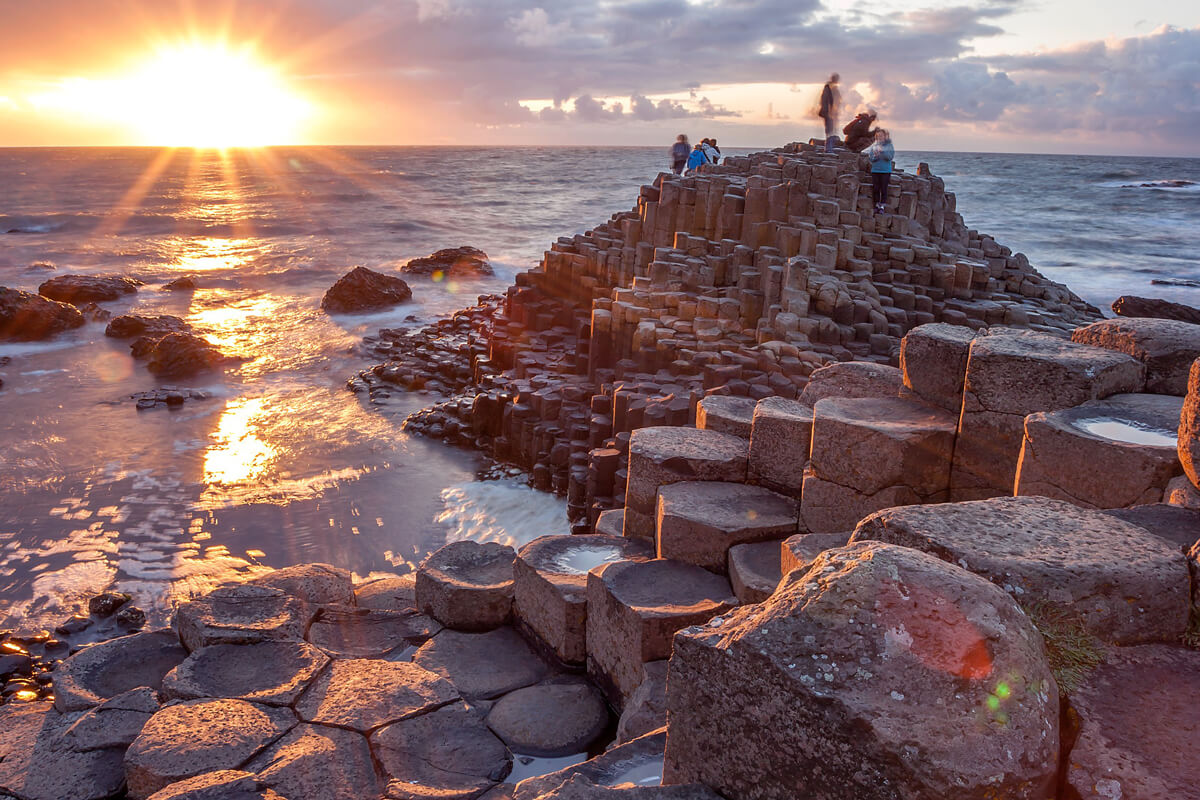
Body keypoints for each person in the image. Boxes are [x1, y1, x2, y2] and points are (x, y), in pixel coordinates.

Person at [867, 129, 895, 214]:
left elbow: (890, 157)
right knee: (876, 189)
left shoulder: (889, 146)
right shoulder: (874, 146)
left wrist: (882, 152)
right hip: (875, 170)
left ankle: (882, 206)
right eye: (878, 136)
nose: (879, 137)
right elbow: (871, 159)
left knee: (883, 189)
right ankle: (876, 205)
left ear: (885, 136)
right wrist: (876, 156)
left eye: (881, 136)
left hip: (885, 171)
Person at [818, 73, 840, 153]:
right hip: (828, 113)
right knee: (829, 130)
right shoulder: (828, 88)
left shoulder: (831, 88)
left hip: (830, 113)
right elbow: (824, 101)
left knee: (831, 130)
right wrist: (828, 112)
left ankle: (829, 148)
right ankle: (828, 149)